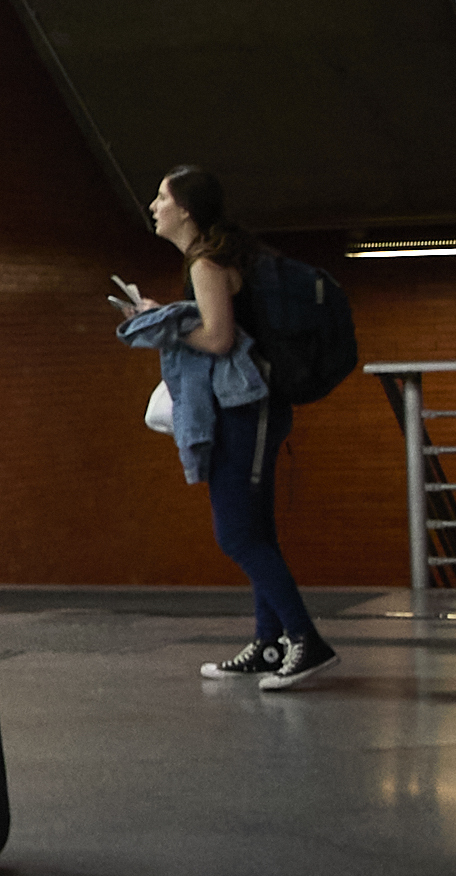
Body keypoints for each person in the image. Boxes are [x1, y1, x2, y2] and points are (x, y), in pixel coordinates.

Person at [111, 166, 338, 690]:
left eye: (162, 197)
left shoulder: (207, 263)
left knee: (236, 533)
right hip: (247, 408)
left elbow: (216, 339)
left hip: (245, 411)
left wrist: (163, 326)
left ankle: (306, 641)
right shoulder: (211, 260)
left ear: (186, 210)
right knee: (255, 531)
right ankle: (268, 642)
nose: (152, 206)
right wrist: (163, 312)